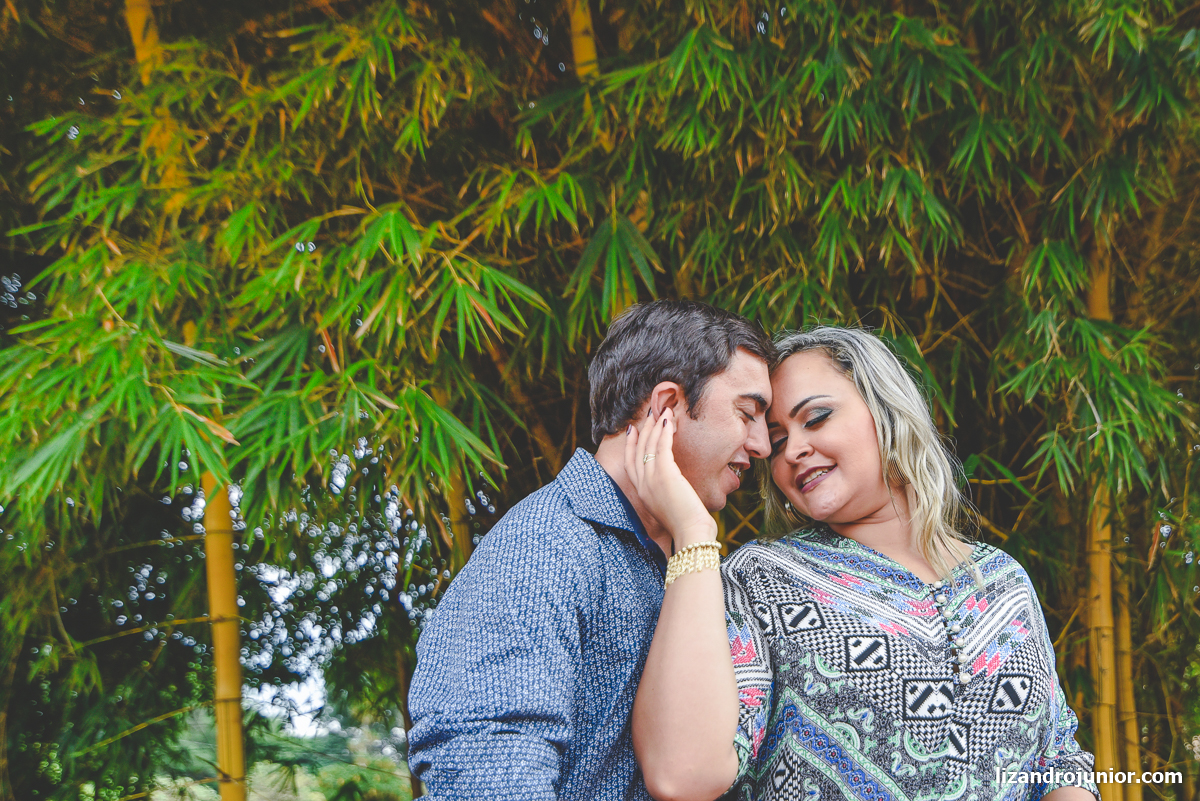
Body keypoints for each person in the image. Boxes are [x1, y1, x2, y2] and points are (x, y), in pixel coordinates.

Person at [627, 326, 1100, 801]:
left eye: (816, 418)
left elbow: (1057, 762)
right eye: (777, 437)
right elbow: (680, 772)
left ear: (885, 409)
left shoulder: (1002, 581)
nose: (791, 451)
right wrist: (692, 533)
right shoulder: (760, 581)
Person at [406, 299, 776, 800]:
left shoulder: (676, 556)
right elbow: (489, 775)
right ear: (666, 406)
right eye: (746, 413)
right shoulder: (543, 549)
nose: (763, 445)